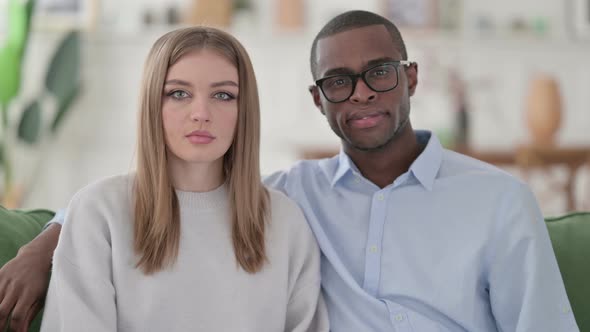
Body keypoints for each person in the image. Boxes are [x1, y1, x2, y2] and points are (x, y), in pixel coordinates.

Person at [0, 10, 578, 332]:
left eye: (380, 72)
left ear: (411, 79)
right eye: (337, 82)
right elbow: (160, 199)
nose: (361, 95)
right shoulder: (294, 197)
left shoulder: (499, 200)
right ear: (317, 99)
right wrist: (43, 244)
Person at [34, 26, 327, 331]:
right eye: (179, 93)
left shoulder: (286, 222)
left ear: (245, 111)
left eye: (223, 95)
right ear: (152, 105)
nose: (201, 113)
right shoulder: (98, 212)